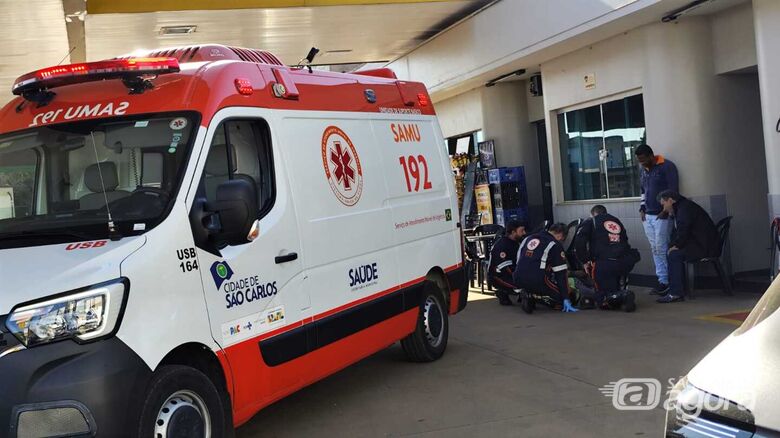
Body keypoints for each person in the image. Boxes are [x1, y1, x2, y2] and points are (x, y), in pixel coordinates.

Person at [656, 190, 720, 303]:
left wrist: (676, 245)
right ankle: (678, 288)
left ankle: (675, 293)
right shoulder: (685, 206)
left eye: (664, 204)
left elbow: (683, 230)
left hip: (705, 247)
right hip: (704, 244)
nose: (664, 209)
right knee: (673, 252)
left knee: (674, 255)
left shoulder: (684, 209)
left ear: (670, 200)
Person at [574, 205, 639, 311]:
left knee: (602, 301)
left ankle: (624, 295)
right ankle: (620, 296)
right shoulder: (616, 221)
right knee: (612, 289)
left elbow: (579, 243)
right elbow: (625, 241)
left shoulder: (591, 221)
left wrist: (584, 260)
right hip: (624, 261)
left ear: (593, 213)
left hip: (603, 263)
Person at [635, 144, 678, 295]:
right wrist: (642, 209)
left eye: (643, 159)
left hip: (662, 216)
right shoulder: (643, 170)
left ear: (651, 155)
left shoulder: (667, 166)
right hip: (648, 216)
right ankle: (662, 281)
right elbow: (642, 191)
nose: (642, 163)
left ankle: (671, 281)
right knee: (655, 249)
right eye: (639, 161)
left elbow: (673, 191)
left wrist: (665, 211)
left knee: (662, 248)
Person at [513, 223, 578, 313]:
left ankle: (527, 294)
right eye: (563, 239)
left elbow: (519, 261)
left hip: (517, 278)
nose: (562, 241)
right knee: (569, 298)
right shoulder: (554, 244)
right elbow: (561, 274)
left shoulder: (528, 238)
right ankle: (534, 297)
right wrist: (566, 297)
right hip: (537, 280)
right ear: (560, 235)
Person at [487, 220, 527, 305]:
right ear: (513, 232)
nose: (524, 233)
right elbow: (505, 268)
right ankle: (502, 292)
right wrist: (519, 277)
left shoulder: (516, 242)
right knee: (522, 286)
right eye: (521, 231)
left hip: (512, 271)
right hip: (498, 275)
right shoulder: (502, 245)